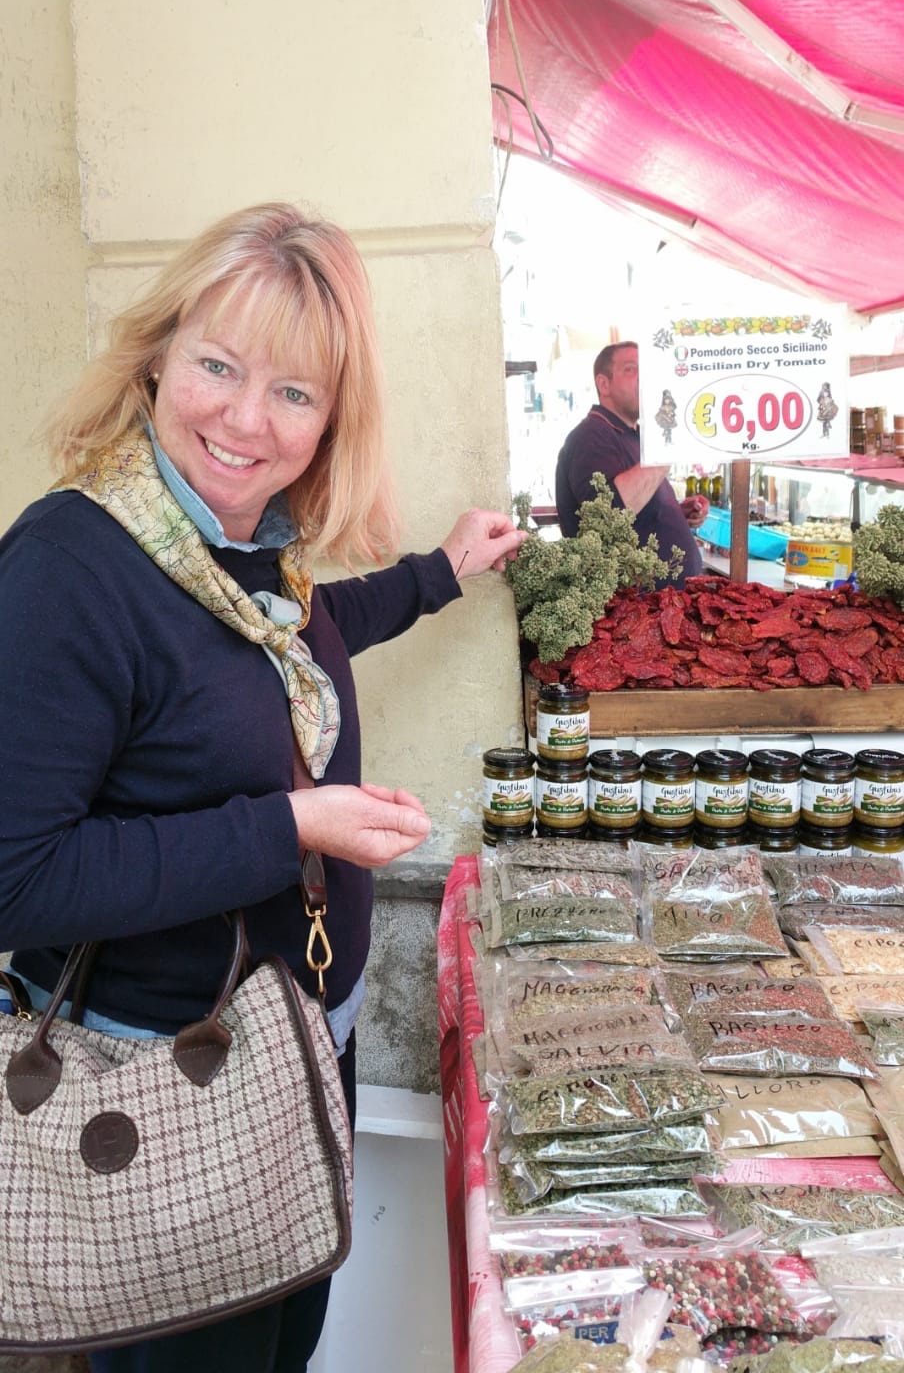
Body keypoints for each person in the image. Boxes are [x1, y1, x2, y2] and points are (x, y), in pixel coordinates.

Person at [0, 202, 526, 1373]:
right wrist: (292, 825)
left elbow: (298, 633)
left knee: (283, 1345)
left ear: (333, 418)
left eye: (293, 392)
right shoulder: (70, 566)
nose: (245, 418)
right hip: (162, 1095)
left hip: (293, 1057)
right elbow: (16, 878)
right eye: (218, 366)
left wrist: (440, 573)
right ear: (157, 357)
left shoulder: (248, 550)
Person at [554, 340, 707, 584]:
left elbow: (636, 508)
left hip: (666, 605)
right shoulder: (590, 436)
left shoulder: (632, 435)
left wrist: (676, 511)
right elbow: (607, 517)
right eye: (630, 369)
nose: (644, 377)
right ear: (604, 384)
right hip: (636, 611)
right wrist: (666, 451)